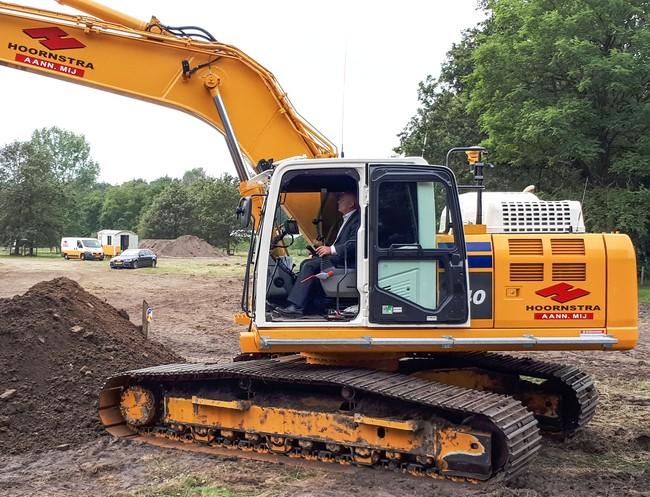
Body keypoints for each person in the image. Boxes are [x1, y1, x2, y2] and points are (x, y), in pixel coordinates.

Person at [274, 191, 360, 317]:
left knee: (309, 266)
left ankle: (296, 306)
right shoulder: (348, 219)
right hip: (342, 258)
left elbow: (355, 243)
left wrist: (331, 250)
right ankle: (307, 305)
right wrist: (322, 249)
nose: (338, 201)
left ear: (351, 203)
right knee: (306, 263)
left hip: (348, 261)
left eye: (341, 199)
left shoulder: (357, 220)